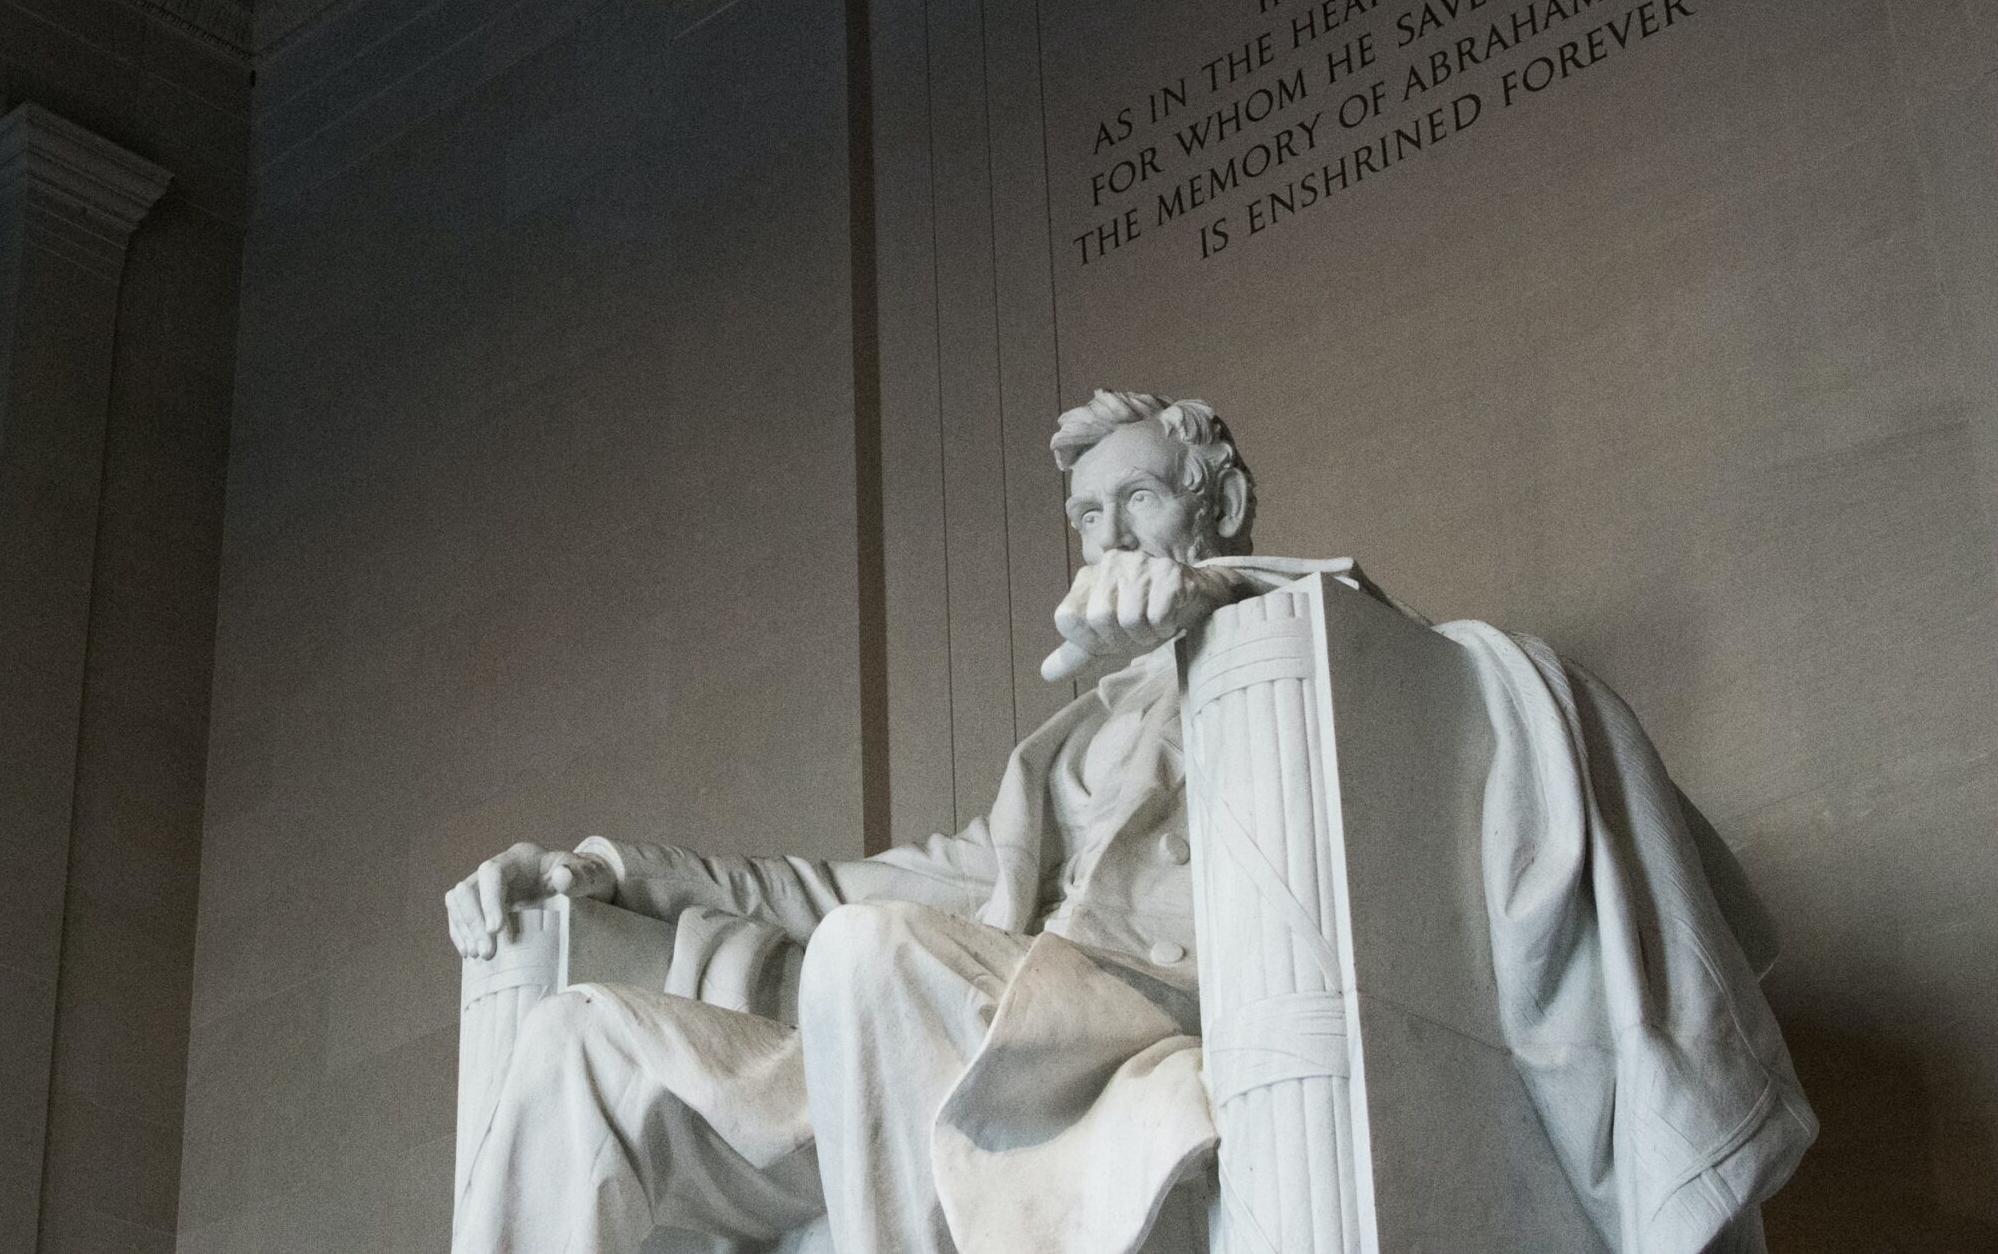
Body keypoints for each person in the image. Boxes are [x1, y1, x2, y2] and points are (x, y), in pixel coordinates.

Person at [447, 392, 1811, 1254]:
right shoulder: (1062, 754)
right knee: (586, 1042)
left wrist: (1210, 614)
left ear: (1212, 507)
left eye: (1137, 500)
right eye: (1085, 513)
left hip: (1134, 1027)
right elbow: (840, 882)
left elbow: (1388, 681)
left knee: (871, 956)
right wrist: (614, 872)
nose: (1105, 532)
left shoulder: (1319, 660)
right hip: (941, 1040)